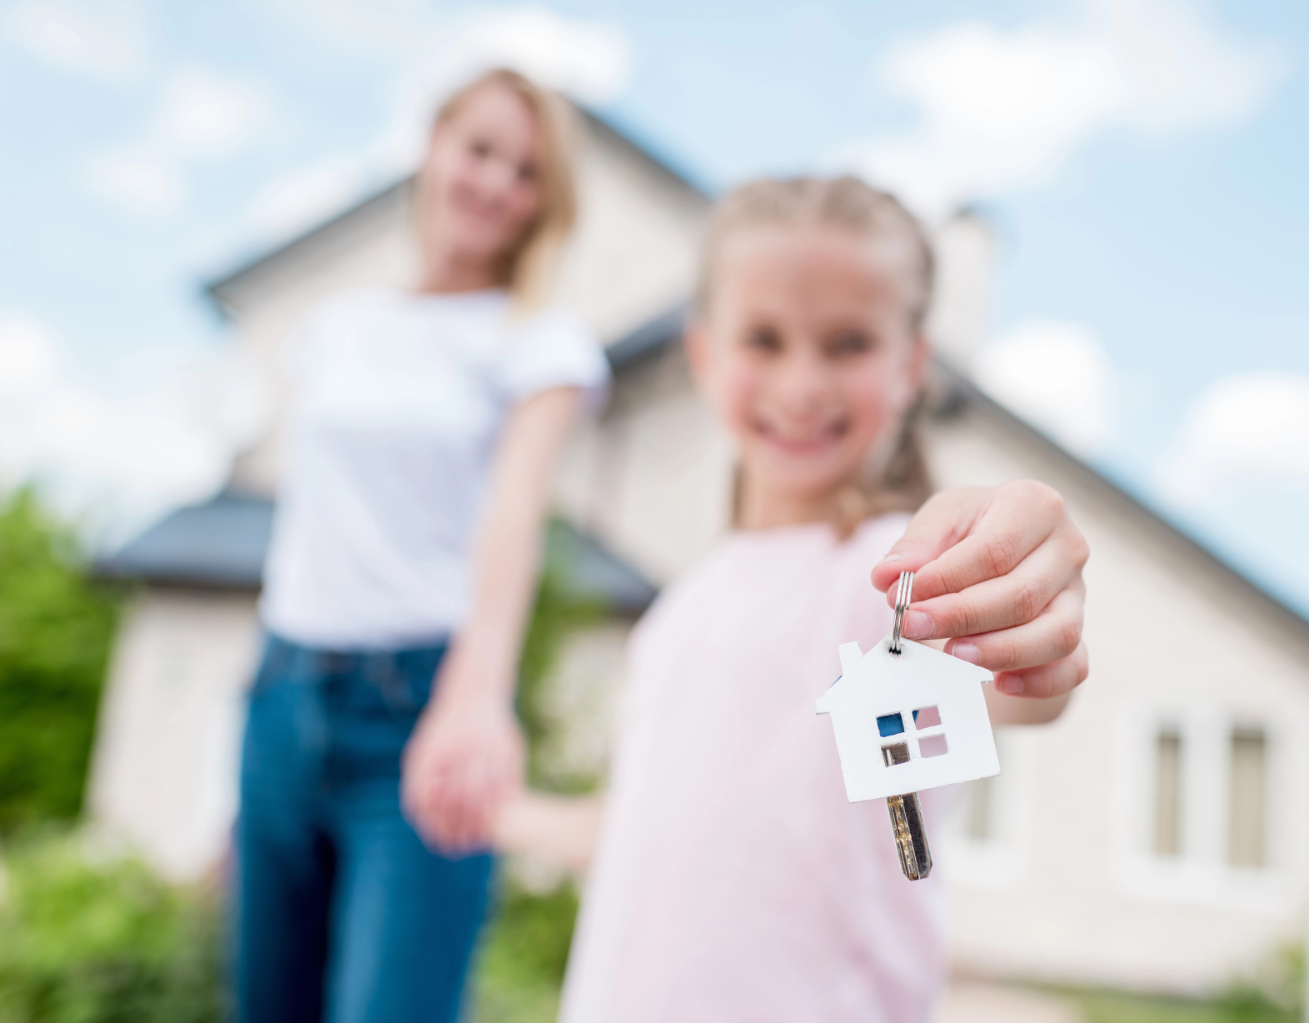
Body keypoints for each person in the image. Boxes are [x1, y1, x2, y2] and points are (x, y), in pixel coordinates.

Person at [555, 176, 1088, 1023]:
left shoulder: (885, 575)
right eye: (764, 338)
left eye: (847, 343)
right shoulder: (681, 609)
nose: (802, 383)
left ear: (911, 363)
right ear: (705, 354)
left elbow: (1009, 692)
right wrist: (498, 807)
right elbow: (642, 827)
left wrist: (1028, 614)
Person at [236, 69, 608, 1023]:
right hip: (281, 693)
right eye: (479, 149)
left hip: (422, 709)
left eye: (525, 171)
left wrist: (477, 695)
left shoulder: (538, 342)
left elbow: (513, 514)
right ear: (434, 146)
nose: (493, 182)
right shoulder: (335, 328)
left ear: (542, 203)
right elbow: (308, 522)